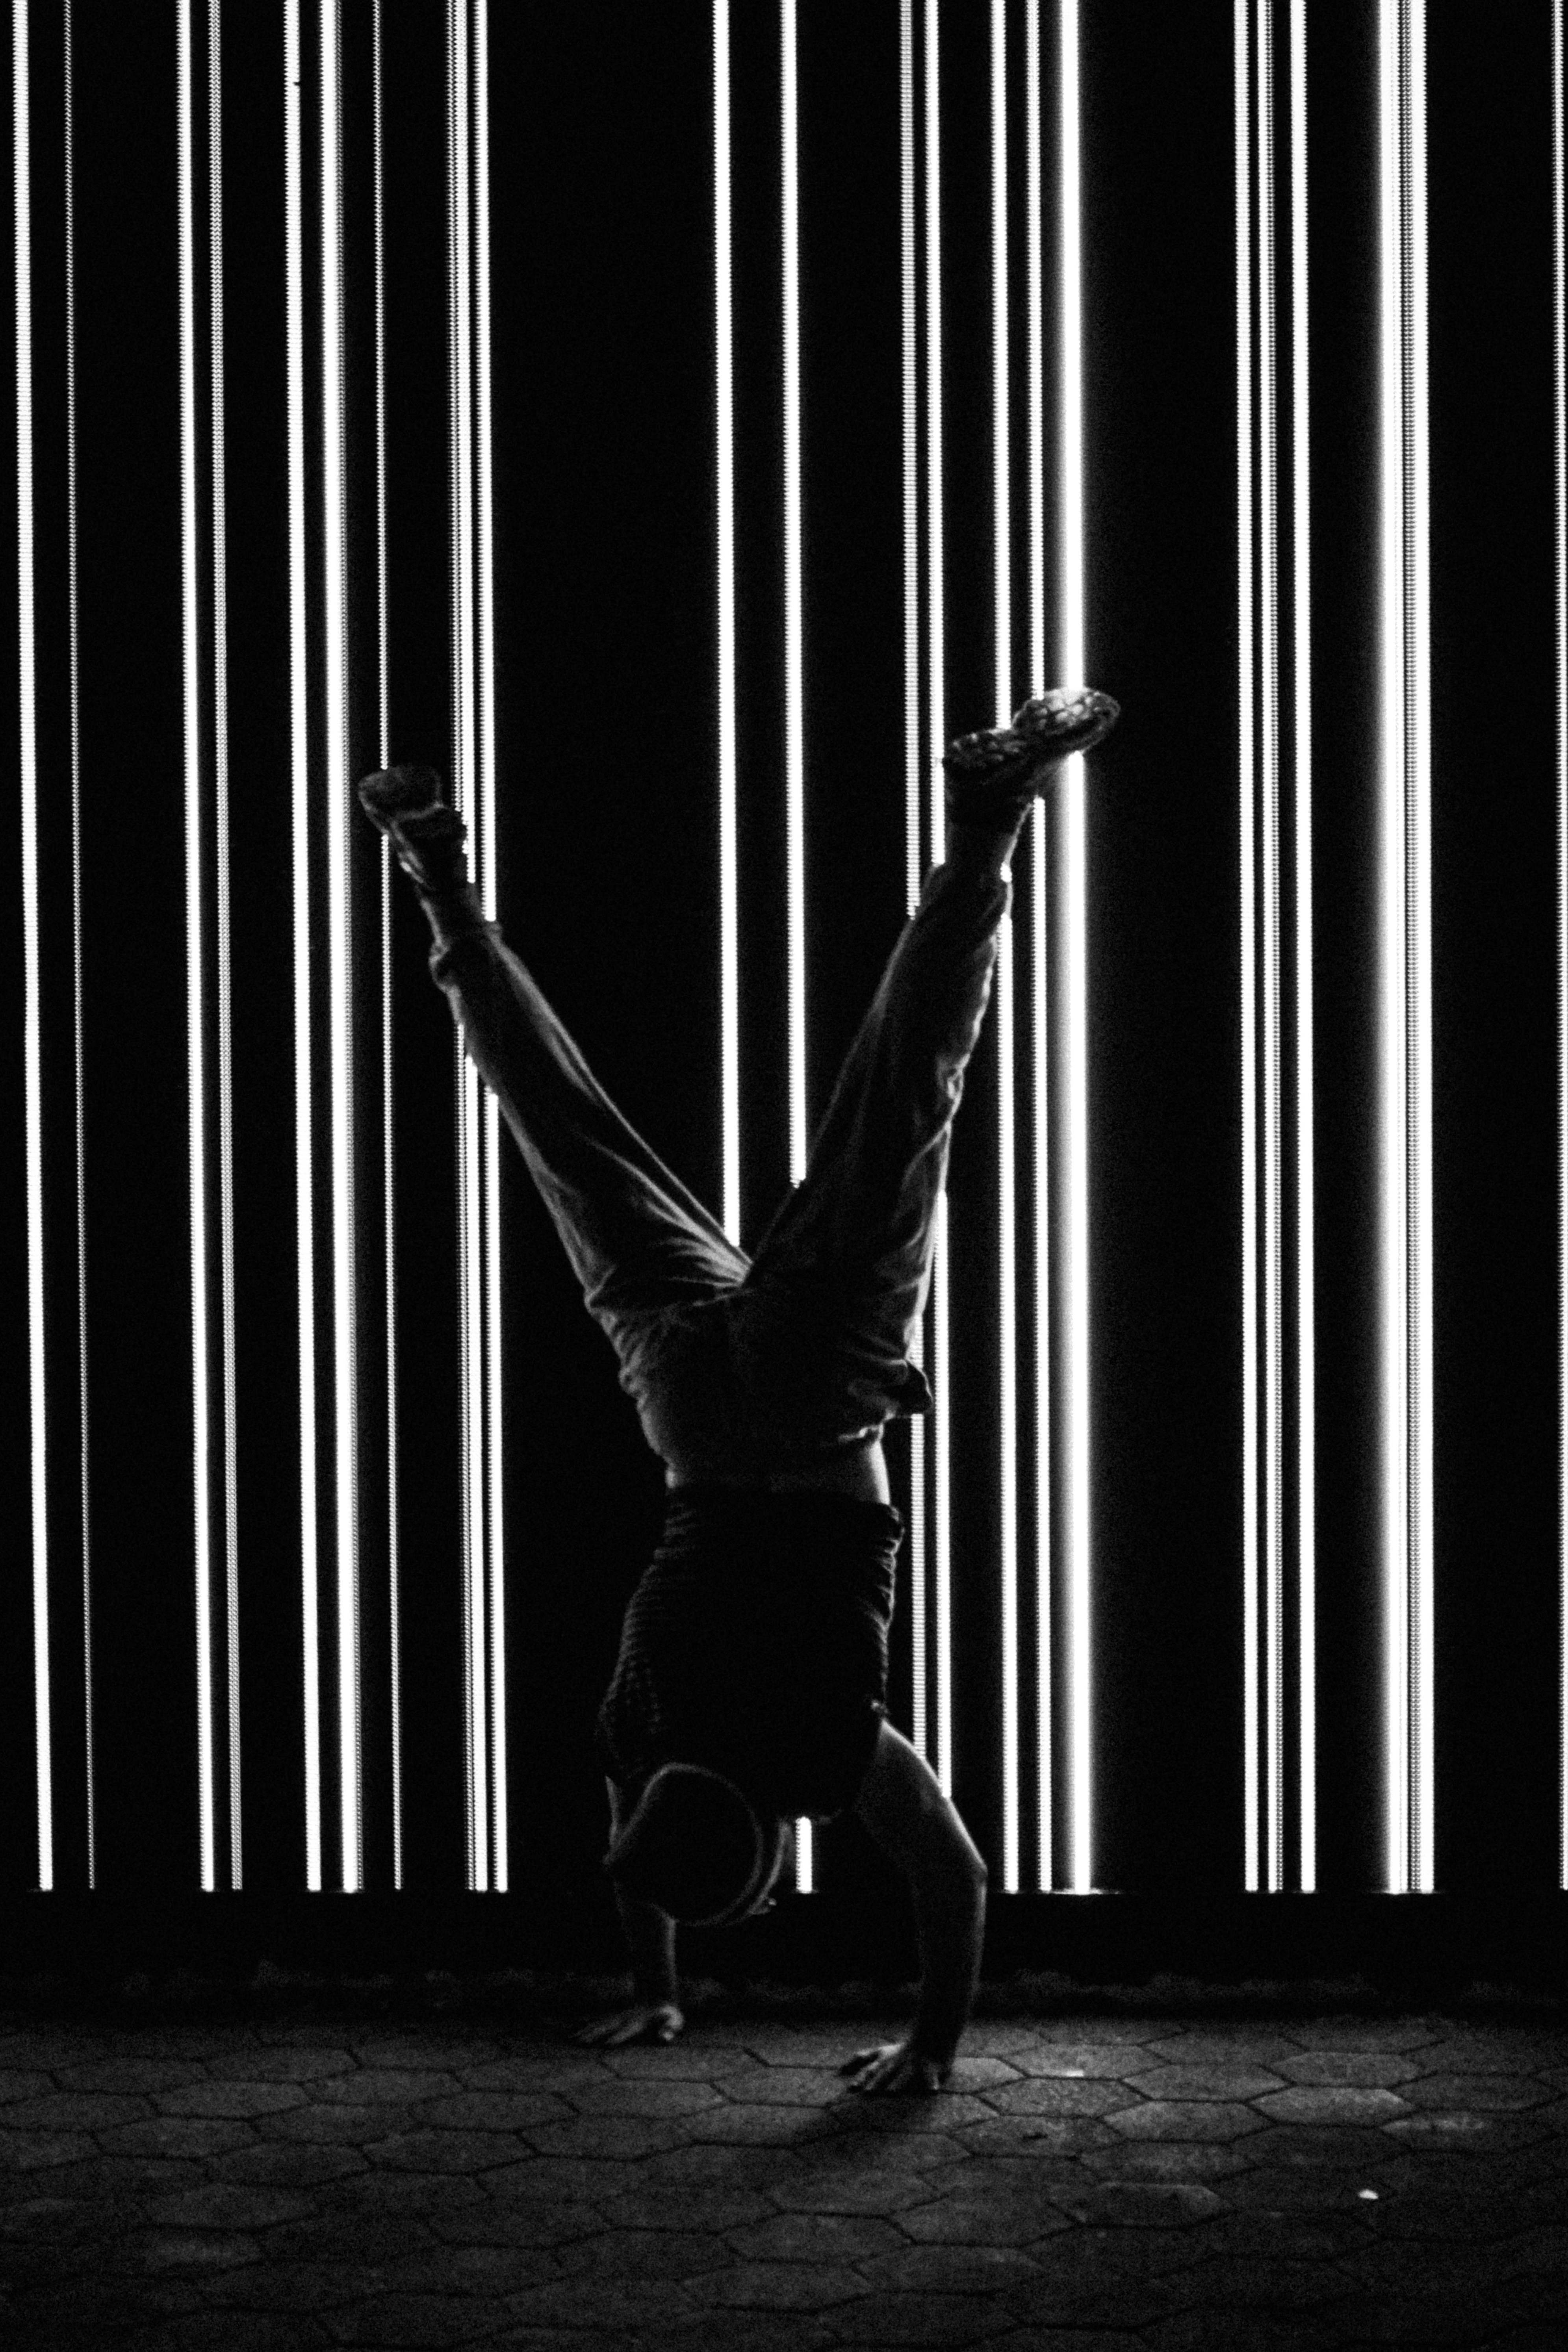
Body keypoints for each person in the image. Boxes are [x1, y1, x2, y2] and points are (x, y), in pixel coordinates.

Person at [358, 682, 1118, 2095]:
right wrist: (647, 1981)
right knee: (562, 1127)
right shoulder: (635, 1733)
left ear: (771, 1844)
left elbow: (954, 1882)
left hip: (819, 1399)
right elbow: (628, 1855)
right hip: (693, 1417)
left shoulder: (818, 1755)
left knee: (904, 1111)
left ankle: (993, 815)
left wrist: (931, 2054)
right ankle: (437, 875)